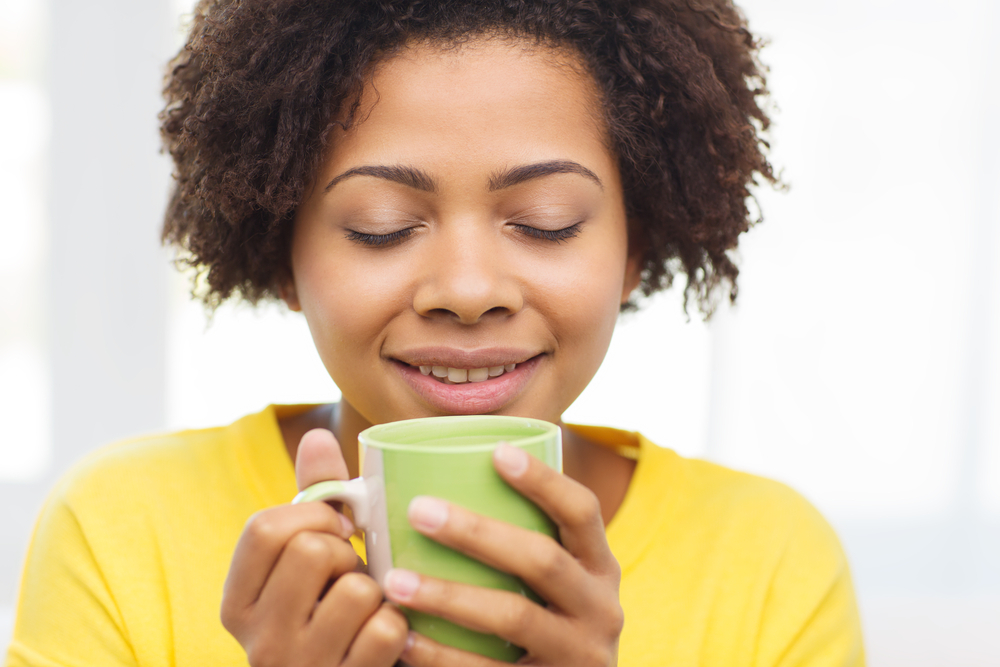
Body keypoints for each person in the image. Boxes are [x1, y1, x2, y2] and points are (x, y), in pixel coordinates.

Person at [6, 1, 865, 665]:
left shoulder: (768, 564)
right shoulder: (121, 532)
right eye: (380, 225)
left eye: (546, 220)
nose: (466, 290)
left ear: (636, 246)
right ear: (279, 249)